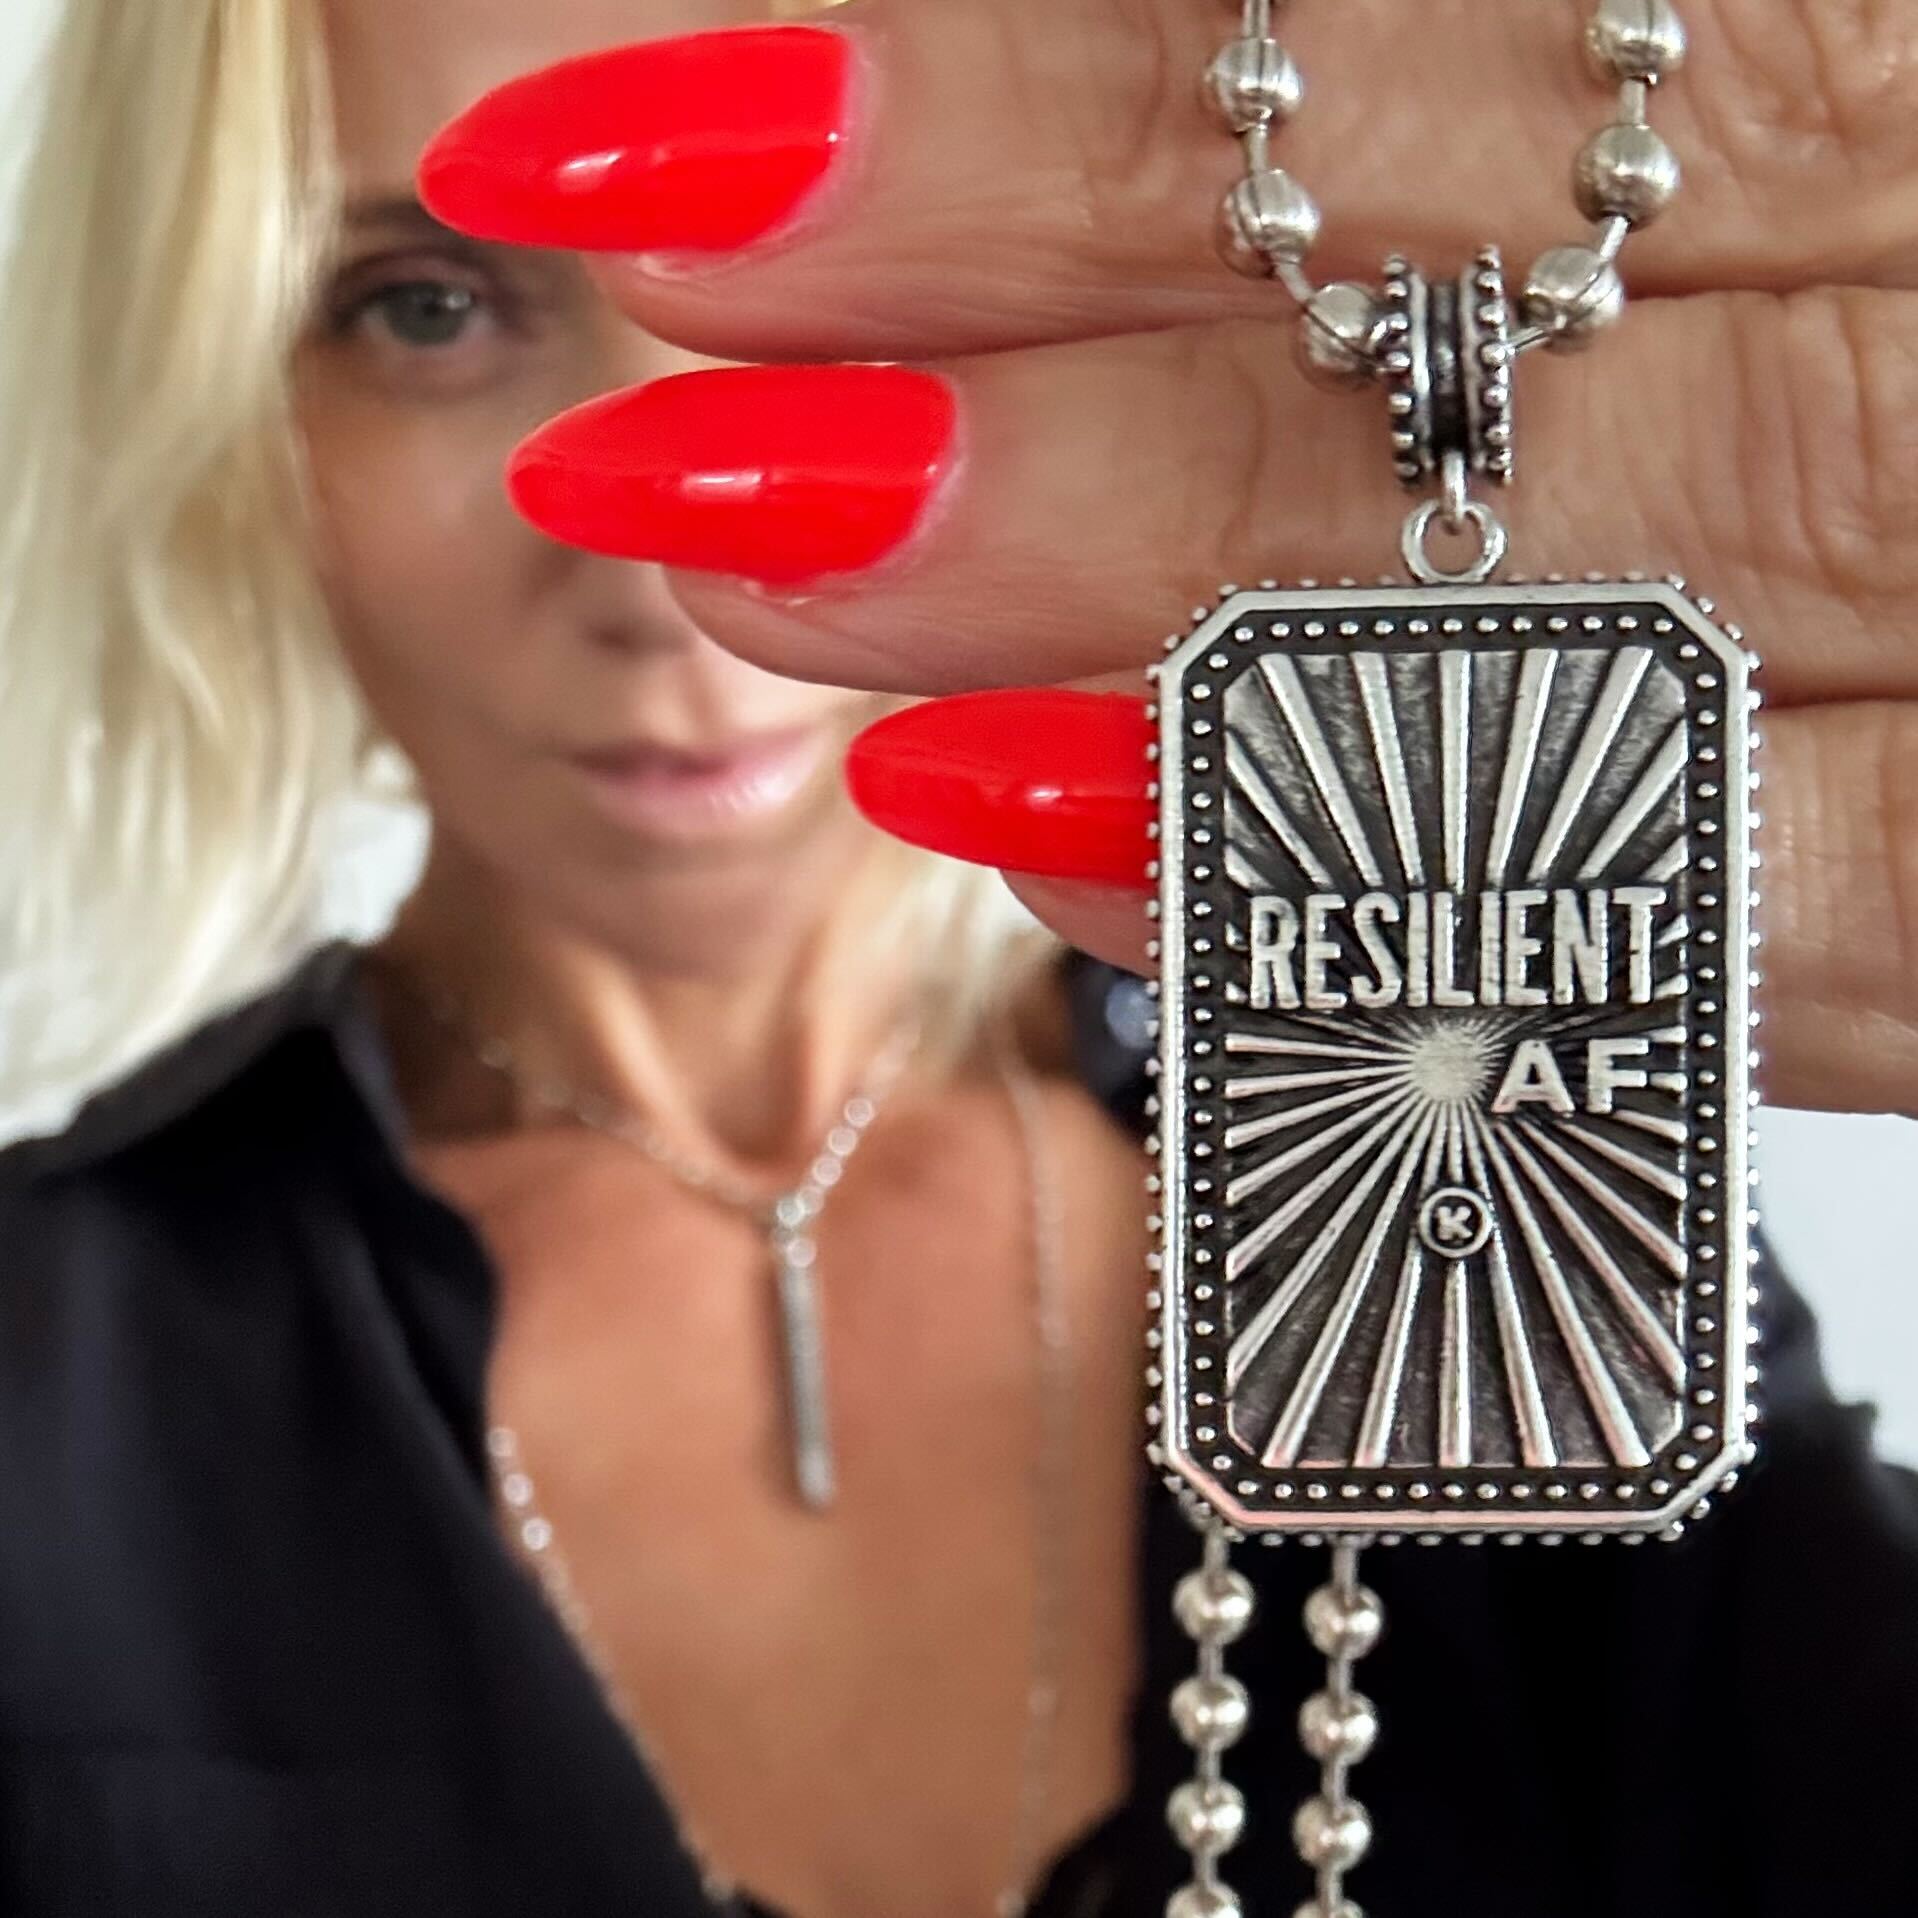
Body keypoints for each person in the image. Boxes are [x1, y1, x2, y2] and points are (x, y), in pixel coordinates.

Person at [0, 3, 1913, 1917]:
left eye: (816, 292)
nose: (666, 577)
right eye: (424, 310)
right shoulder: (51, 1370)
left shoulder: (1500, 1181)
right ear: (225, 372)